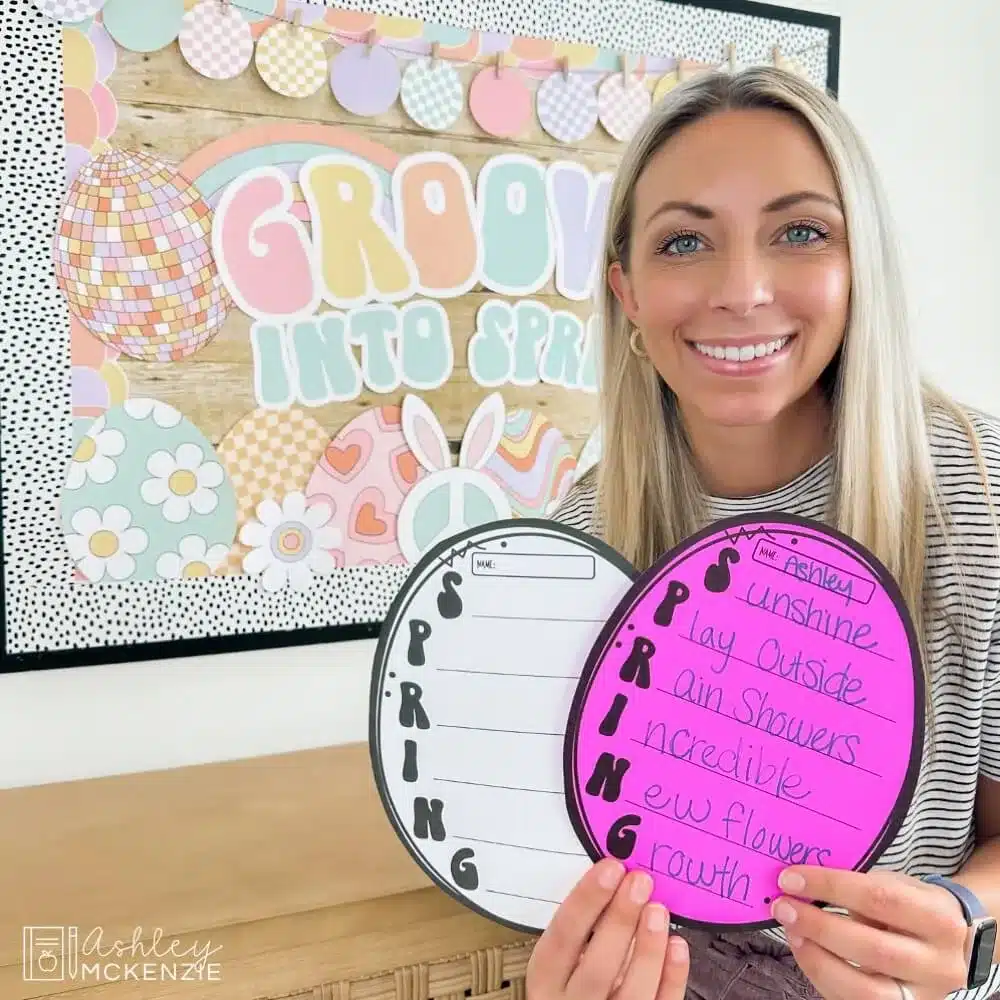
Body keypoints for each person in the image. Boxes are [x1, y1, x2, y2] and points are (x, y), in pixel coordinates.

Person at [529, 66, 1000, 1000]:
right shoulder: (577, 547)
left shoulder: (970, 494)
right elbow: (561, 873)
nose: (741, 291)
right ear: (626, 291)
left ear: (858, 263)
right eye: (685, 242)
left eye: (799, 232)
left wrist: (967, 928)